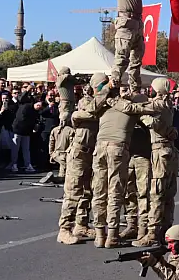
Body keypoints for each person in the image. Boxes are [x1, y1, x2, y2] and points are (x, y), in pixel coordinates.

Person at [86, 79, 158, 248]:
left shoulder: (103, 105)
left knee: (99, 192)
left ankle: (99, 235)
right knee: (115, 192)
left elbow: (88, 109)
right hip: (117, 149)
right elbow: (150, 116)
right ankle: (112, 235)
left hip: (100, 148)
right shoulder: (132, 107)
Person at [132, 77, 179, 246]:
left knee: (157, 193)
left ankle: (152, 234)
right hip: (169, 152)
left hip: (160, 152)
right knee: (168, 194)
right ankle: (166, 230)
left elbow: (137, 108)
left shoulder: (158, 105)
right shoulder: (167, 104)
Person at [56, 79, 101, 245]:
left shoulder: (101, 105)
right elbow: (90, 111)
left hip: (92, 154)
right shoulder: (85, 104)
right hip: (78, 154)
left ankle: (81, 224)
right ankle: (64, 229)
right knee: (73, 191)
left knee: (87, 191)